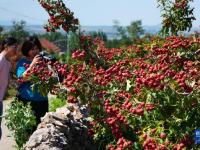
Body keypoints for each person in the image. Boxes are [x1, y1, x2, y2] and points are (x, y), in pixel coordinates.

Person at [16, 36, 48, 125]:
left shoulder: (43, 61)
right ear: (26, 49)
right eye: (32, 49)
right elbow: (22, 78)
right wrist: (32, 65)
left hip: (42, 100)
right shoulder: (22, 62)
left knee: (42, 129)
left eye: (37, 48)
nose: (35, 51)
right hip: (28, 100)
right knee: (29, 130)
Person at [0, 37, 18, 139]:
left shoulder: (7, 62)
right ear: (6, 46)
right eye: (14, 46)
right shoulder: (1, 59)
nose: (16, 49)